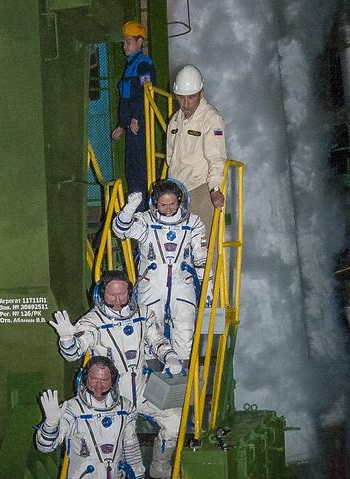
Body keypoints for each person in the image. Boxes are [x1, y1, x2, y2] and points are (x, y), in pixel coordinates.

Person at [49, 270, 180, 479]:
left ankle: (160, 467)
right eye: (112, 295)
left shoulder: (143, 313)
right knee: (123, 447)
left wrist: (170, 357)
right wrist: (66, 339)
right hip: (112, 393)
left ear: (130, 292)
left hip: (143, 386)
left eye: (122, 294)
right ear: (101, 294)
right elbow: (74, 352)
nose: (118, 301)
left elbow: (157, 341)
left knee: (175, 419)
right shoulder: (92, 321)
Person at [113, 180, 209, 368]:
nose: (167, 209)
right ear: (155, 202)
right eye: (163, 204)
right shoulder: (146, 220)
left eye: (172, 204)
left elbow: (201, 259)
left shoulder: (193, 222)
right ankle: (152, 372)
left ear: (180, 201)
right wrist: (129, 208)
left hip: (182, 283)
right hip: (151, 283)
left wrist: (209, 287)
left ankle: (183, 375)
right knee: (150, 327)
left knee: (185, 326)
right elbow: (121, 230)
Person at [162, 64, 227, 234]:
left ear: (201, 94)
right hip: (178, 192)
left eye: (191, 97)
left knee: (204, 249)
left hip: (202, 190)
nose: (186, 103)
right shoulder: (175, 121)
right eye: (181, 97)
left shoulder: (211, 119)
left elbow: (216, 157)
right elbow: (170, 158)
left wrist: (215, 189)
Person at [110, 20, 156, 199]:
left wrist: (137, 117)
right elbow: (126, 98)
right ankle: (136, 207)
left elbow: (145, 93)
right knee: (131, 168)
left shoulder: (143, 64)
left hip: (141, 125)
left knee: (139, 168)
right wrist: (121, 125)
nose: (124, 46)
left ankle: (142, 207)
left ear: (139, 42)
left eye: (128, 42)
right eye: (123, 42)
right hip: (131, 125)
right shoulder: (130, 65)